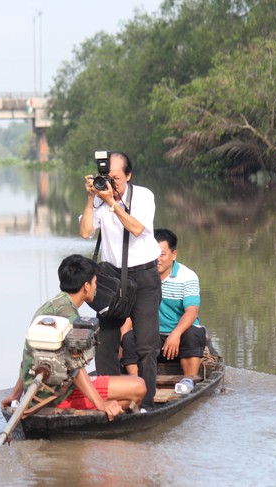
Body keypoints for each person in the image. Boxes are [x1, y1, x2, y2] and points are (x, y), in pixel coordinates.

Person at [1, 254, 146, 420]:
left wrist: (16, 394)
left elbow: (29, 357)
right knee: (139, 387)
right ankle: (93, 416)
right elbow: (76, 368)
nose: (96, 288)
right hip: (59, 395)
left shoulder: (47, 307)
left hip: (36, 393)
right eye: (95, 283)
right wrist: (100, 403)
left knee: (124, 395)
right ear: (86, 286)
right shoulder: (68, 317)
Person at [79, 152, 162, 409]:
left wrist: (112, 203)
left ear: (128, 175)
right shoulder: (100, 199)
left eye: (116, 178)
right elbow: (85, 232)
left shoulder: (143, 196)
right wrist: (93, 197)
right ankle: (110, 398)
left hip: (145, 276)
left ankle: (145, 403)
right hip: (113, 280)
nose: (112, 184)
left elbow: (137, 228)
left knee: (146, 345)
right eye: (107, 178)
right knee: (105, 343)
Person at [120, 228, 207, 378]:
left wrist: (175, 334)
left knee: (194, 334)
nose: (157, 259)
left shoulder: (187, 276)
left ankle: (189, 381)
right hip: (151, 337)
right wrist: (122, 342)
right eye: (153, 254)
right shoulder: (138, 277)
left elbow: (192, 311)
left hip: (179, 338)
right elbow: (129, 314)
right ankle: (136, 384)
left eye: (162, 254)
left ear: (174, 254)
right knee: (129, 339)